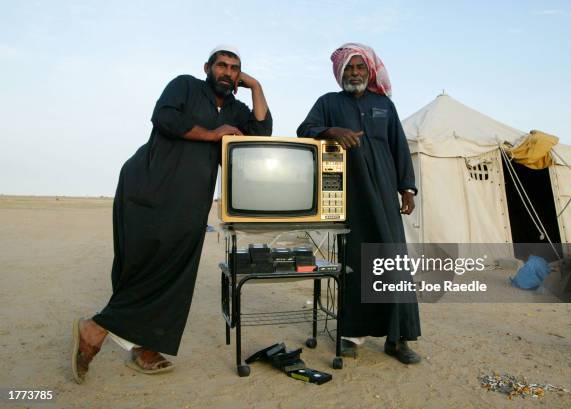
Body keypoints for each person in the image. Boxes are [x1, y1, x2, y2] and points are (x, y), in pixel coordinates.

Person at [71, 45, 272, 383]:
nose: (227, 72)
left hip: (191, 201)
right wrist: (213, 134)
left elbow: (260, 135)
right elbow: (164, 118)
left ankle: (137, 344)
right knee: (141, 266)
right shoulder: (185, 86)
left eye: (235, 68)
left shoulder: (237, 110)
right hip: (147, 186)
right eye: (221, 65)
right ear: (207, 67)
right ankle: (99, 331)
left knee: (176, 272)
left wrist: (257, 88)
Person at [297, 43, 421, 364]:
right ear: (340, 73)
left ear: (369, 71)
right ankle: (352, 335)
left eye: (360, 68)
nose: (355, 73)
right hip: (348, 192)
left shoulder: (384, 105)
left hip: (383, 191)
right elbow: (304, 130)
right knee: (355, 261)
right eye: (349, 68)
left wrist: (407, 189)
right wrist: (332, 131)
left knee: (392, 262)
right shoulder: (328, 103)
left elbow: (399, 147)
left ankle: (398, 339)